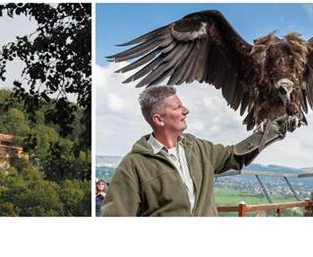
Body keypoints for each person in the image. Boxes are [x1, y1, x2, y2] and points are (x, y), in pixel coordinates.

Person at [101, 86, 287, 217]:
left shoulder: (198, 148)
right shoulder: (133, 166)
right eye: (178, 107)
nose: (186, 111)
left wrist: (272, 130)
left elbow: (234, 156)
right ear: (159, 120)